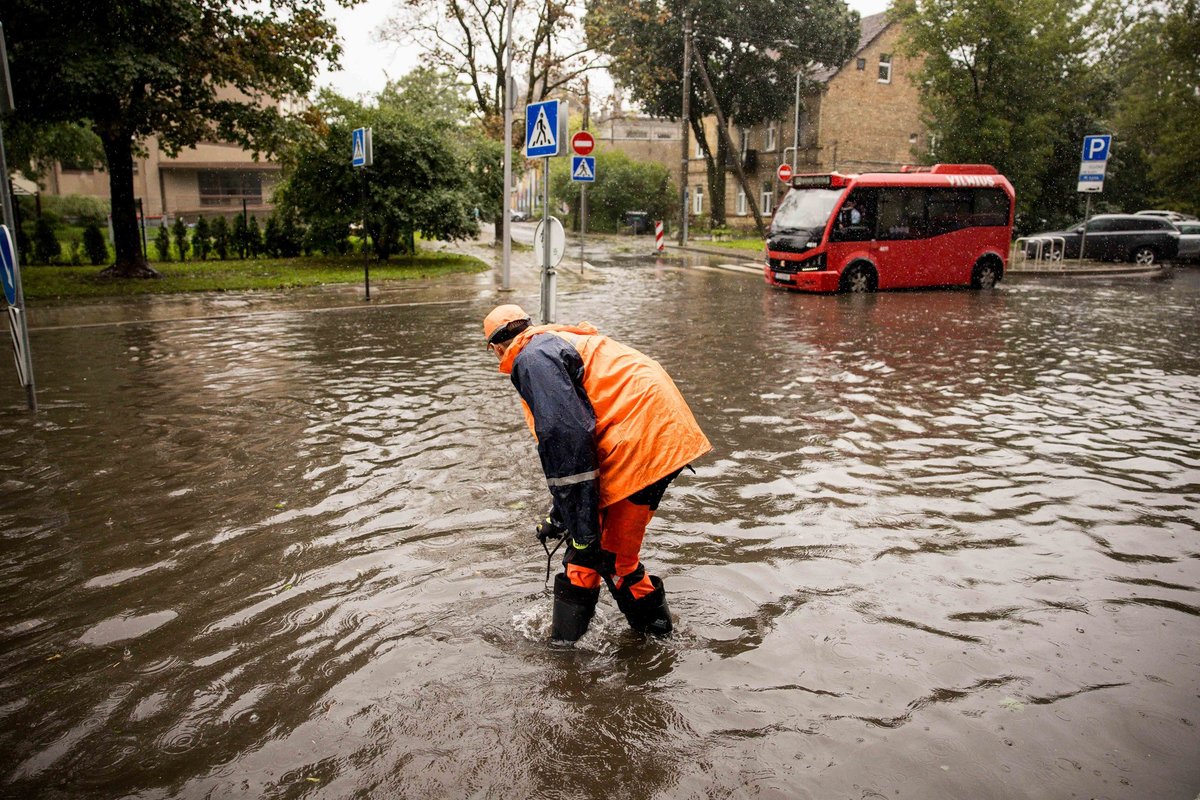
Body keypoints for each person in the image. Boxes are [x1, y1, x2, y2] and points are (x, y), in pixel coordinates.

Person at [483, 304, 712, 644]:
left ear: (496, 348)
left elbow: (568, 439)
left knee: (613, 559)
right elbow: (575, 449)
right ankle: (571, 651)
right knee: (586, 556)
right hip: (653, 434)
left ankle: (657, 644)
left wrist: (581, 528)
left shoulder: (531, 359)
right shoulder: (551, 341)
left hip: (641, 442)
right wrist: (562, 516)